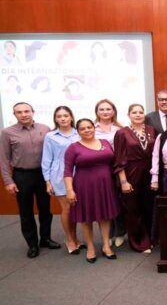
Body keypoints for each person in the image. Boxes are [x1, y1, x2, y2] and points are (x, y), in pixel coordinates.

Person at [0, 102, 58, 258]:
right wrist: (8, 181)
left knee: (45, 209)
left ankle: (45, 239)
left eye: (27, 111)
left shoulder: (44, 129)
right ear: (14, 115)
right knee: (26, 212)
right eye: (19, 112)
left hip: (43, 175)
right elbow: (4, 159)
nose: (24, 114)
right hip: (21, 176)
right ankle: (32, 244)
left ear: (33, 112)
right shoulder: (7, 132)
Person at [64, 119, 120, 263]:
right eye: (83, 128)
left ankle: (106, 245)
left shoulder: (106, 143)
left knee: (105, 216)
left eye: (89, 127)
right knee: (86, 218)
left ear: (94, 128)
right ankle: (90, 247)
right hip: (84, 187)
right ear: (78, 131)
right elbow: (68, 171)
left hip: (106, 185)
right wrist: (70, 190)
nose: (87, 130)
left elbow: (114, 163)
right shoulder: (73, 148)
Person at [113, 104, 157, 253]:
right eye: (134, 112)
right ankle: (139, 242)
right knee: (133, 209)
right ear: (128, 115)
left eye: (140, 112)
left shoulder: (151, 130)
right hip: (131, 174)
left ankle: (150, 238)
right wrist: (123, 181)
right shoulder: (122, 133)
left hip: (149, 173)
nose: (138, 115)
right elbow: (119, 160)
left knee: (148, 207)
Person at [41, 106, 82, 254]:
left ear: (71, 117)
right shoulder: (50, 136)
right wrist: (47, 181)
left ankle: (76, 238)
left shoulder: (79, 133)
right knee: (67, 209)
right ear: (55, 119)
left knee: (75, 209)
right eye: (59, 116)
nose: (63, 118)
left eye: (66, 115)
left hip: (79, 173)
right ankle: (69, 239)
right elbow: (46, 159)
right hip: (59, 175)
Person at [93, 99, 125, 247]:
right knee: (104, 201)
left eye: (108, 109)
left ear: (113, 111)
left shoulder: (120, 128)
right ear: (97, 112)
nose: (105, 112)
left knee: (119, 200)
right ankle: (108, 235)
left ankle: (120, 233)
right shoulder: (91, 128)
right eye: (102, 109)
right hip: (99, 169)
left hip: (117, 168)